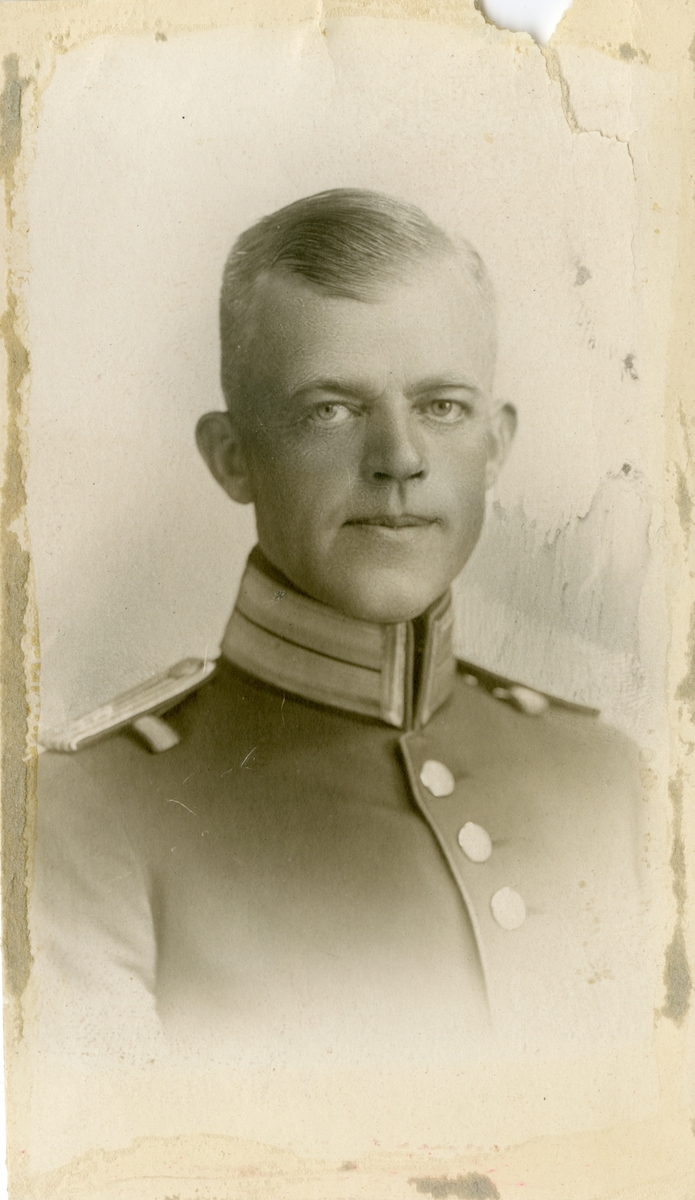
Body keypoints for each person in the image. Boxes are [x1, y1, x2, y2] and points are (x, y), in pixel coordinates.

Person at [31, 190, 647, 1068]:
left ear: (495, 446)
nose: (398, 459)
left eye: (442, 406)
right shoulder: (84, 816)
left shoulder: (612, 782)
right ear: (232, 458)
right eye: (331, 409)